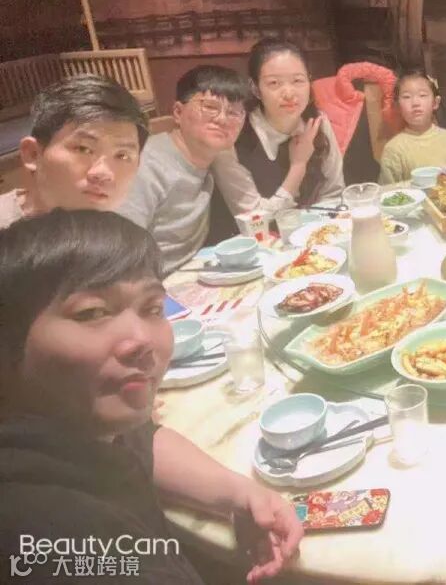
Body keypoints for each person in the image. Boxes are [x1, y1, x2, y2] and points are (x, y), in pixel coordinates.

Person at [0, 209, 303, 583]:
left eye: (152, 308)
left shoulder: (72, 424)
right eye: (92, 312)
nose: (142, 339)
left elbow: (140, 438)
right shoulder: (66, 540)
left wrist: (241, 492)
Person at [119, 66, 248, 273]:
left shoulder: (212, 161)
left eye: (233, 112)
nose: (222, 119)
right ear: (178, 112)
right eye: (210, 107)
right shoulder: (145, 165)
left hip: (191, 276)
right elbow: (118, 254)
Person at [212, 39, 344, 213]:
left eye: (298, 81)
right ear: (255, 89)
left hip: (318, 227)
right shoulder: (232, 140)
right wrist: (298, 166)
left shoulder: (318, 122)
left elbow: (334, 194)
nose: (288, 93)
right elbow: (255, 219)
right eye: (274, 83)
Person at [0, 75, 147, 228]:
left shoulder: (130, 230)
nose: (103, 173)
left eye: (122, 156)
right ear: (33, 154)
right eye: (83, 149)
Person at [378, 69, 446, 184]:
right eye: (407, 97)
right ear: (398, 106)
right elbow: (388, 192)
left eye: (422, 95)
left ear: (435, 102)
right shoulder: (393, 149)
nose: (415, 103)